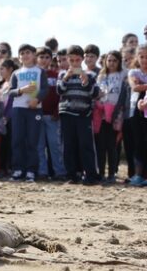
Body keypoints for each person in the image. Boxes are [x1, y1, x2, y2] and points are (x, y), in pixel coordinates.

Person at [57, 45, 100, 185]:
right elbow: (59, 91)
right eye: (72, 60)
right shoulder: (63, 74)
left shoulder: (91, 75)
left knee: (85, 145)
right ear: (68, 60)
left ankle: (90, 175)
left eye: (77, 60)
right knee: (68, 145)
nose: (75, 63)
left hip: (83, 114)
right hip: (67, 112)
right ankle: (71, 175)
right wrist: (66, 77)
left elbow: (94, 94)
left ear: (82, 59)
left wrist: (85, 80)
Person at [8, 44, 48, 182]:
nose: (25, 55)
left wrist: (36, 100)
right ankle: (18, 169)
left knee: (32, 141)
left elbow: (44, 89)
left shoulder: (40, 71)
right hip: (18, 109)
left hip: (34, 109)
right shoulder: (16, 73)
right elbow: (11, 92)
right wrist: (21, 90)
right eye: (22, 53)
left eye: (28, 52)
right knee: (17, 140)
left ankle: (31, 171)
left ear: (33, 55)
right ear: (19, 57)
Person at [35, 47, 67, 181]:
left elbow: (60, 95)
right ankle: (42, 171)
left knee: (55, 145)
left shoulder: (56, 75)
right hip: (37, 115)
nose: (44, 60)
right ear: (36, 58)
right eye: (41, 57)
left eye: (47, 57)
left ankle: (59, 171)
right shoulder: (34, 75)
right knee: (39, 145)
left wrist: (56, 111)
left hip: (52, 116)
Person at [96, 50, 127, 183]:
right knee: (101, 146)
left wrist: (117, 110)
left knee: (112, 146)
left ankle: (112, 173)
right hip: (102, 113)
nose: (112, 63)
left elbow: (123, 93)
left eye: (114, 60)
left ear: (119, 61)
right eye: (109, 60)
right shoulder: (102, 75)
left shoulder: (122, 74)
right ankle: (101, 173)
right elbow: (97, 93)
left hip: (116, 114)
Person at [127, 43, 147, 186]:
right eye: (141, 56)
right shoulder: (133, 72)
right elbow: (135, 87)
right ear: (137, 57)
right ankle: (138, 175)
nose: (144, 60)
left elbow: (140, 86)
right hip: (136, 111)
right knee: (139, 143)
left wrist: (143, 86)